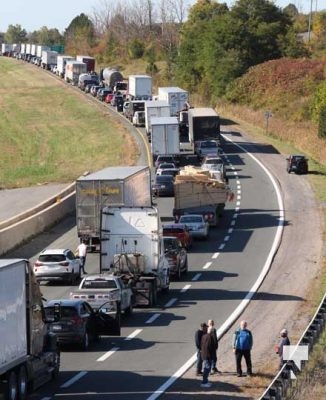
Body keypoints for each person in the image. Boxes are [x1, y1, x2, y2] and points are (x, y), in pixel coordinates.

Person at [200, 323, 216, 387]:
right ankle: (204, 382)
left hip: (204, 354)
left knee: (207, 368)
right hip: (208, 355)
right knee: (207, 368)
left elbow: (201, 345)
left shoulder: (204, 336)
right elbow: (211, 347)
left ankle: (205, 381)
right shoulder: (210, 337)